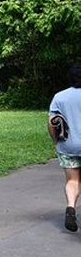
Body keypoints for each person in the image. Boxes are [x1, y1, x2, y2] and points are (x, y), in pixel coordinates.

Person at [48, 63, 81, 233]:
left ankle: (70, 208)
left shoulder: (59, 97)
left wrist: (56, 142)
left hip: (68, 145)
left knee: (72, 180)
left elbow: (52, 122)